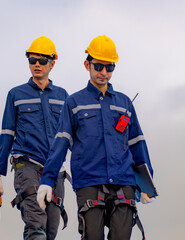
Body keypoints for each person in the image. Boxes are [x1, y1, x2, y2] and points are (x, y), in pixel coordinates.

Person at [37, 35, 155, 240]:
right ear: (87, 64)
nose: (103, 73)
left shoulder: (124, 103)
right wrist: (47, 180)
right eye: (99, 66)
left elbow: (137, 144)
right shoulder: (73, 103)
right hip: (89, 183)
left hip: (123, 181)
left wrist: (146, 184)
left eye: (109, 67)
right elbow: (60, 144)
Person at [0, 36, 69, 240]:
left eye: (42, 61)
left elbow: (73, 138)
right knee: (36, 226)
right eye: (32, 60)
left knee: (50, 232)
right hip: (27, 167)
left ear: (52, 62)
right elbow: (7, 133)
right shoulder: (16, 95)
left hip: (56, 172)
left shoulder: (63, 96)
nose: (36, 65)